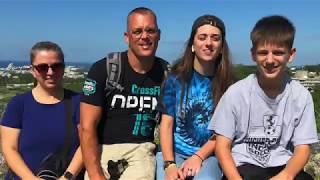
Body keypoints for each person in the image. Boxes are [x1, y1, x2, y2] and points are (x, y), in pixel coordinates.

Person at [209, 15, 318, 180]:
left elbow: (303, 148)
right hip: (244, 166)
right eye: (263, 53)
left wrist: (286, 175)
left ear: (291, 54)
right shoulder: (236, 93)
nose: (270, 60)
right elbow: (222, 145)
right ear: (253, 54)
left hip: (282, 165)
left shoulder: (300, 96)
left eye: (278, 53)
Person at [79, 7, 168, 180]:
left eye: (150, 30)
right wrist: (96, 174)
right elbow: (86, 127)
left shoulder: (166, 75)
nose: (144, 36)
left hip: (141, 150)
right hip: (103, 149)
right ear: (127, 37)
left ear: (159, 35)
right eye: (137, 31)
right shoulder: (104, 69)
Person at [156, 15, 234, 180]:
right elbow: (167, 124)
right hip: (173, 152)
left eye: (215, 38)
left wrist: (198, 157)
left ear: (221, 47)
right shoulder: (175, 80)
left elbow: (223, 133)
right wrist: (169, 165)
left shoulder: (229, 85)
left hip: (210, 154)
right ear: (192, 45)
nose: (208, 43)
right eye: (202, 37)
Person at [1, 41, 83, 180]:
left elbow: (86, 144)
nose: (50, 72)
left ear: (63, 68)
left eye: (56, 66)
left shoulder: (79, 103)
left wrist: (67, 177)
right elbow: (9, 149)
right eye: (42, 67)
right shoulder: (18, 105)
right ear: (32, 70)